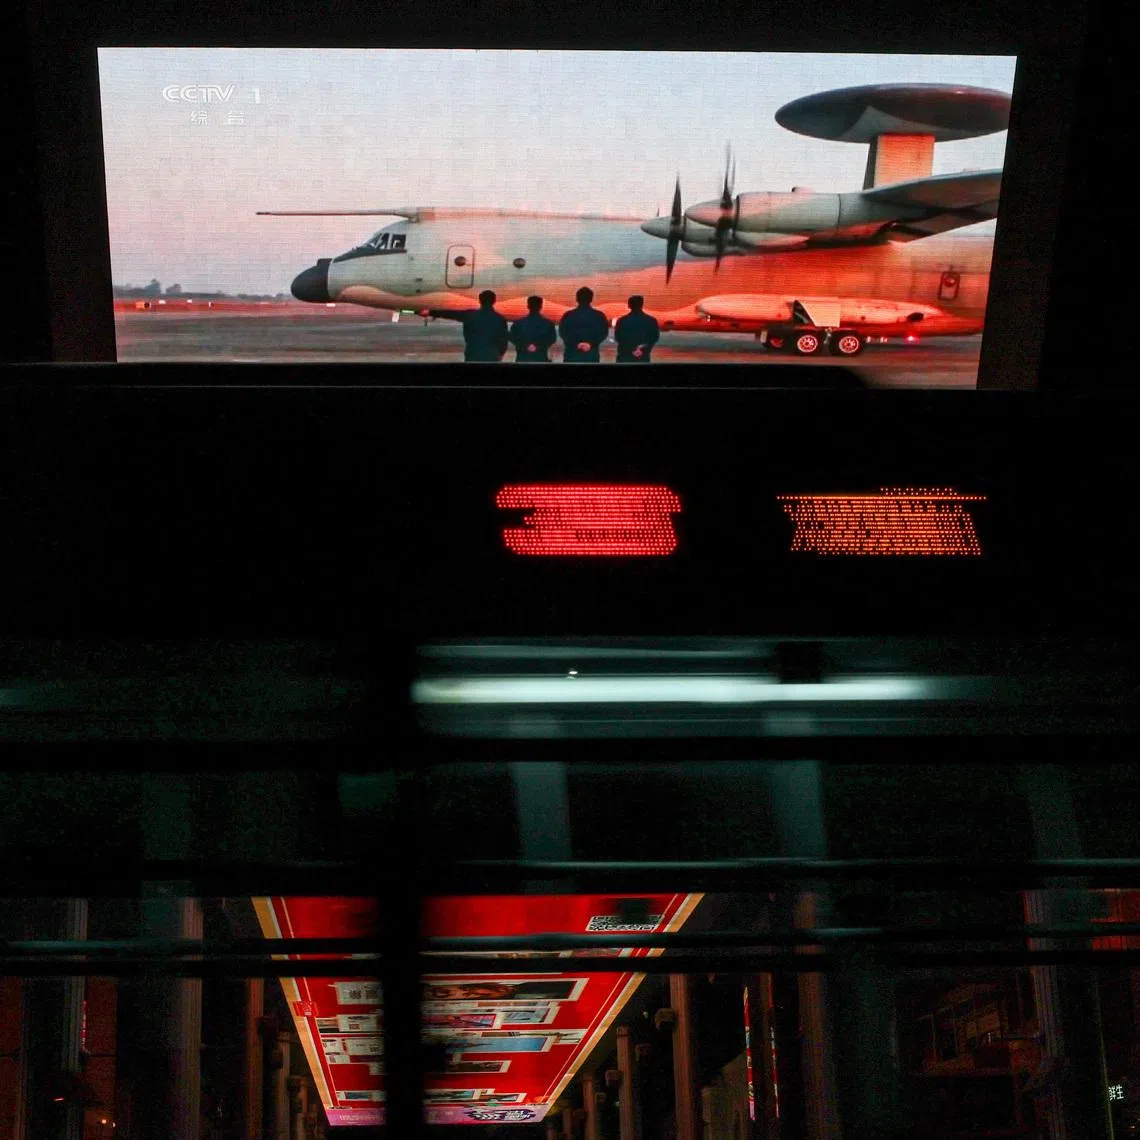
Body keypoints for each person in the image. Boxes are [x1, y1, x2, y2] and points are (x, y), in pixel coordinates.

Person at [558, 286, 609, 363]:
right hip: (591, 356)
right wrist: (590, 344)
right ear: (591, 299)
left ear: (577, 299)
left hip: (571, 355)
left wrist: (577, 344)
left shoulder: (568, 315)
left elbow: (563, 333)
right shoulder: (599, 315)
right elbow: (603, 333)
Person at [461, 290, 509, 362]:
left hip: (473, 355)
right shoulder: (500, 319)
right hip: (492, 356)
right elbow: (503, 341)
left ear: (480, 300)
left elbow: (467, 337)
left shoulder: (470, 317)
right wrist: (499, 354)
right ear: (494, 301)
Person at [508, 295, 558, 363]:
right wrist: (537, 346)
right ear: (541, 306)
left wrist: (526, 345)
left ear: (528, 306)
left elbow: (512, 338)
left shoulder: (518, 323)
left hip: (522, 358)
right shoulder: (548, 323)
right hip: (541, 358)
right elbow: (552, 339)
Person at [614, 295, 660, 363]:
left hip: (625, 356)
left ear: (629, 305)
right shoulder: (651, 320)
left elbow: (618, 337)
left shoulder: (622, 320)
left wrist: (631, 350)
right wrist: (640, 350)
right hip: (643, 356)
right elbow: (653, 338)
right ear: (641, 305)